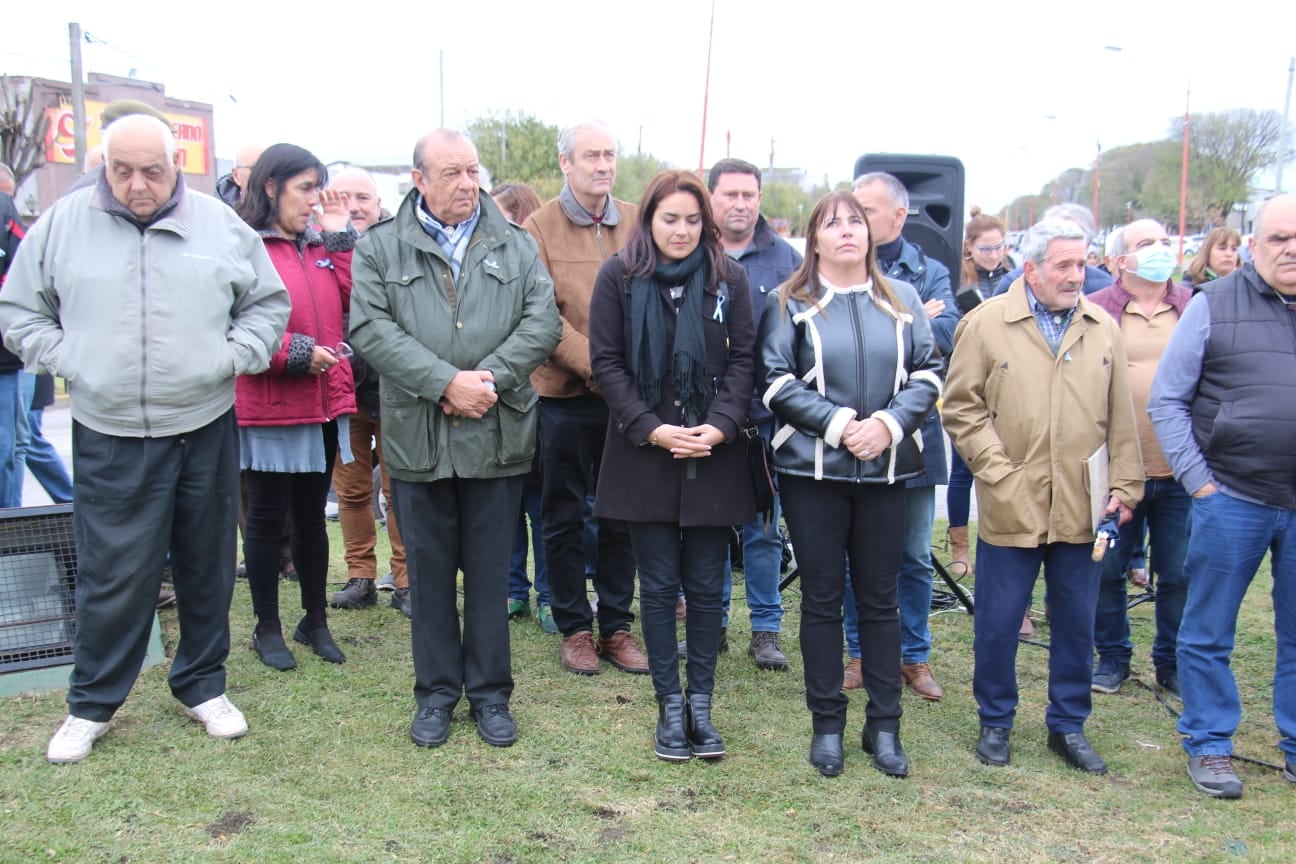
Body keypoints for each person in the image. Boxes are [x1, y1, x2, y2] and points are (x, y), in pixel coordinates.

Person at [0, 114, 289, 763]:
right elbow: (19, 309)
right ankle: (91, 703)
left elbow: (267, 304)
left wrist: (232, 355)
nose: (137, 184)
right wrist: (68, 357)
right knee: (111, 572)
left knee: (206, 562)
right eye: (122, 170)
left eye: (152, 171)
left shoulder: (220, 225)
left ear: (175, 166)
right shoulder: (62, 225)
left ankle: (201, 685)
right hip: (109, 427)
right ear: (105, 164)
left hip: (203, 422)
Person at [349, 129, 561, 749]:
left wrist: (485, 380)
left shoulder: (516, 244)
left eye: (473, 171)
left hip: (496, 432)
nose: (467, 184)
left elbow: (541, 321)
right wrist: (445, 383)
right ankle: (437, 694)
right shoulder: (382, 247)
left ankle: (492, 696)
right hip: (420, 438)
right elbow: (370, 327)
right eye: (451, 173)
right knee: (431, 576)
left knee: (491, 578)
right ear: (419, 179)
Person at [943, 217, 1143, 776]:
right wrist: (997, 470)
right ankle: (996, 721)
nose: (1076, 275)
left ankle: (1068, 724)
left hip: (1085, 502)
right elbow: (960, 407)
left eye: (1082, 264)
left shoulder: (1103, 327)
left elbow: (1121, 417)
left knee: (1077, 620)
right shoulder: (985, 324)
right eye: (1064, 265)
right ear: (1030, 268)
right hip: (1014, 499)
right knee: (999, 621)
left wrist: (1125, 485)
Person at [761, 190, 941, 778]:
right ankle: (827, 725)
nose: (846, 232)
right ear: (813, 238)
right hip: (813, 476)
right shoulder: (789, 302)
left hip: (888, 472)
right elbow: (775, 382)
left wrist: (887, 426)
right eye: (832, 223)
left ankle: (883, 727)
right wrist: (841, 426)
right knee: (820, 599)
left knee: (881, 600)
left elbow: (929, 373)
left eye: (856, 222)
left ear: (872, 233)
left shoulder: (905, 299)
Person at [589, 169, 755, 762]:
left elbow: (745, 362)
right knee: (657, 588)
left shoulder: (728, 278)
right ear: (650, 218)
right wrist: (653, 429)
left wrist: (720, 425)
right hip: (644, 455)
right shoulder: (619, 277)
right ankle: (669, 709)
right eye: (669, 218)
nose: (681, 230)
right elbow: (605, 363)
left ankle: (701, 707)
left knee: (709, 588)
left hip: (714, 453)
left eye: (691, 219)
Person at [1147, 193, 1296, 799]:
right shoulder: (1213, 305)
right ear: (1252, 244)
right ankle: (1209, 744)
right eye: (1279, 238)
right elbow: (1168, 399)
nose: (1291, 249)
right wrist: (1201, 485)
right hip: (1232, 496)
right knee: (1207, 630)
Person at [521, 122, 650, 676]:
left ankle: (618, 626)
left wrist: (627, 378)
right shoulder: (538, 227)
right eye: (590, 155)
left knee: (623, 514)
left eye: (610, 155)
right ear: (565, 164)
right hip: (565, 398)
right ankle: (574, 626)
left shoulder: (639, 220)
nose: (602, 164)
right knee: (563, 516)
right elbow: (540, 316)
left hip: (630, 403)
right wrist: (603, 368)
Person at [235, 143, 357, 671]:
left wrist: (339, 237)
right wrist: (295, 354)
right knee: (264, 520)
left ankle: (315, 620)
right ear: (270, 187)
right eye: (305, 188)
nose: (314, 199)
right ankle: (267, 627)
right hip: (271, 399)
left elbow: (358, 302)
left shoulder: (318, 246)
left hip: (324, 400)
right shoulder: (244, 245)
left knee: (312, 518)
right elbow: (234, 323)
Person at [844, 172, 959, 701]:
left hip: (912, 438)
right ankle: (858, 653)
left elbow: (942, 335)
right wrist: (909, 319)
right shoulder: (837, 269)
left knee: (912, 555)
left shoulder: (929, 270)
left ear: (897, 216)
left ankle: (914, 657)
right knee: (852, 554)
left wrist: (908, 322)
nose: (856, 221)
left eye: (866, 210)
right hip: (847, 437)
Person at [687, 157, 802, 671]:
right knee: (702, 527)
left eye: (749, 194)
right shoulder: (689, 252)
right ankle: (707, 623)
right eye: (730, 193)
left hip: (762, 418)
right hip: (699, 416)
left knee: (762, 528)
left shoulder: (790, 262)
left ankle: (765, 629)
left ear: (760, 199)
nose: (740, 203)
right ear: (710, 197)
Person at [1087, 219, 1193, 697]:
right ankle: (1112, 657)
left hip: (1183, 470)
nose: (1160, 250)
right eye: (1146, 244)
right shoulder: (1097, 311)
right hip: (1117, 471)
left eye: (1164, 241)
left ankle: (1170, 661)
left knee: (1178, 571)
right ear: (1118, 261)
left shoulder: (1192, 306)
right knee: (1107, 570)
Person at [325, 166, 411, 618]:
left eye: (362, 196)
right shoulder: (319, 244)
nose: (353, 206)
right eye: (343, 197)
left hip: (395, 384)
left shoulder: (399, 244)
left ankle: (405, 580)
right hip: (344, 387)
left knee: (400, 488)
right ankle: (360, 575)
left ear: (378, 203)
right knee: (353, 488)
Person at [491, 181, 553, 631]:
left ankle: (550, 595)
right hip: (499, 404)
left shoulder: (535, 264)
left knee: (544, 507)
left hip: (542, 402)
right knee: (506, 508)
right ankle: (513, 590)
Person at [945, 209, 1013, 592]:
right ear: (970, 247)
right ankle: (960, 547)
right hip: (971, 383)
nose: (993, 254)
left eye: (999, 247)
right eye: (985, 247)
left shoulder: (1013, 278)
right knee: (962, 470)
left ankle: (999, 542)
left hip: (1009, 385)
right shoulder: (958, 281)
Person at [993, 203, 1113, 297]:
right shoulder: (1013, 284)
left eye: (1073, 237)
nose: (1074, 278)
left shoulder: (1104, 288)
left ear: (1088, 243)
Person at [0, 189, 28, 508]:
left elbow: (20, 285)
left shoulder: (4, 212)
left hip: (4, 359)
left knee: (8, 447)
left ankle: (7, 537)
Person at [1181, 226, 1241, 293]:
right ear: (1207, 252)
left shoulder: (1244, 288)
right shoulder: (1187, 290)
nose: (1229, 254)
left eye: (1234, 249)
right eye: (1222, 248)